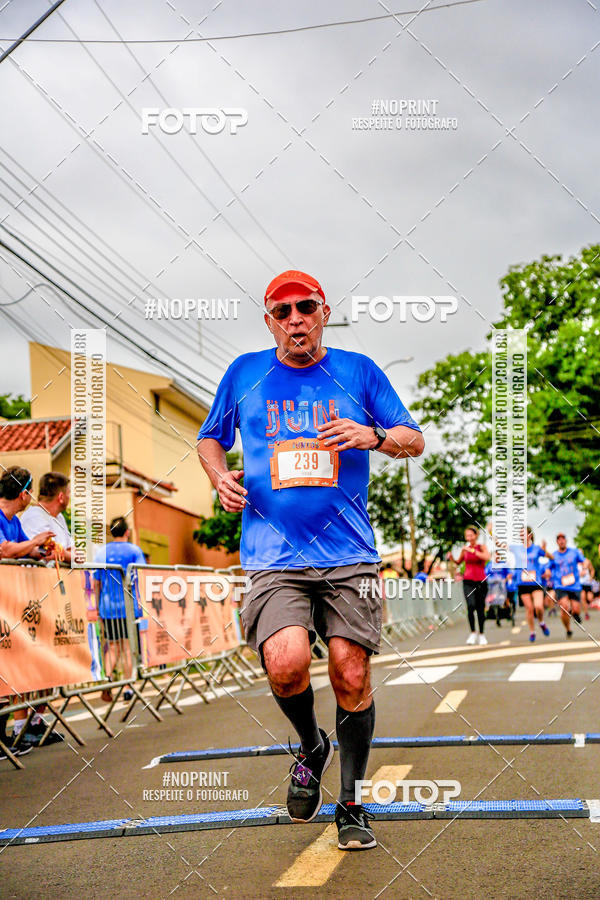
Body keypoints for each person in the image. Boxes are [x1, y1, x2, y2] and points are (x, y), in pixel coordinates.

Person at [196, 269, 424, 851]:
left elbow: (413, 439)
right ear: (268, 320)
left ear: (324, 312)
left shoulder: (358, 371)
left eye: (306, 307)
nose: (295, 319)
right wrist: (219, 476)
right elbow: (209, 437)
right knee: (286, 663)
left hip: (350, 555)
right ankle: (310, 746)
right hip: (273, 555)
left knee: (351, 672)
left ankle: (350, 803)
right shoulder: (245, 374)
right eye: (282, 311)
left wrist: (373, 435)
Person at [93, 517, 145, 702]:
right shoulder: (134, 551)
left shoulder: (101, 552)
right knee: (128, 647)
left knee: (113, 646)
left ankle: (108, 680)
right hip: (129, 607)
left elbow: (96, 581)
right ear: (127, 532)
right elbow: (143, 576)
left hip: (108, 607)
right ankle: (128, 687)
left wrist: (98, 606)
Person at [447, 526, 490, 645]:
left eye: (471, 535)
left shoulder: (481, 547)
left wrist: (474, 551)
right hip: (468, 581)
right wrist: (451, 558)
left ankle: (482, 634)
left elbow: (487, 557)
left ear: (476, 536)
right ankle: (472, 632)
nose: (469, 538)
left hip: (481, 581)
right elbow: (458, 562)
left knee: (481, 608)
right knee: (470, 606)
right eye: (467, 536)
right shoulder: (464, 549)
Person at [0, 467, 54, 560]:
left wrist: (45, 550)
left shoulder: (15, 521)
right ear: (24, 494)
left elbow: (30, 551)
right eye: (31, 493)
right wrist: (35, 541)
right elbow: (5, 551)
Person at [21, 472, 73, 564]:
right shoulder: (34, 516)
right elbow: (49, 554)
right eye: (68, 493)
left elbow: (73, 552)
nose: (70, 497)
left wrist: (63, 553)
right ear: (61, 497)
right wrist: (67, 555)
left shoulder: (59, 517)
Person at [511, 528, 550, 643]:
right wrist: (491, 533)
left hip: (535, 582)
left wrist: (544, 548)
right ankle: (532, 631)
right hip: (522, 583)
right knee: (529, 609)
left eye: (524, 533)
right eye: (520, 533)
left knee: (538, 606)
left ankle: (541, 622)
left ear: (530, 535)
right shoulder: (517, 548)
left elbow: (548, 556)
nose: (522, 535)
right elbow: (501, 545)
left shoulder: (536, 549)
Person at [545, 533, 585, 638]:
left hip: (574, 585)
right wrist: (548, 572)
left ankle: (575, 613)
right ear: (557, 542)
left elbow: (584, 561)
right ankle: (568, 629)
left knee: (576, 609)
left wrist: (584, 568)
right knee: (564, 607)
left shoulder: (574, 552)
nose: (561, 541)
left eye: (563, 539)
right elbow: (548, 567)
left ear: (566, 541)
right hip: (560, 586)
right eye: (559, 539)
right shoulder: (554, 555)